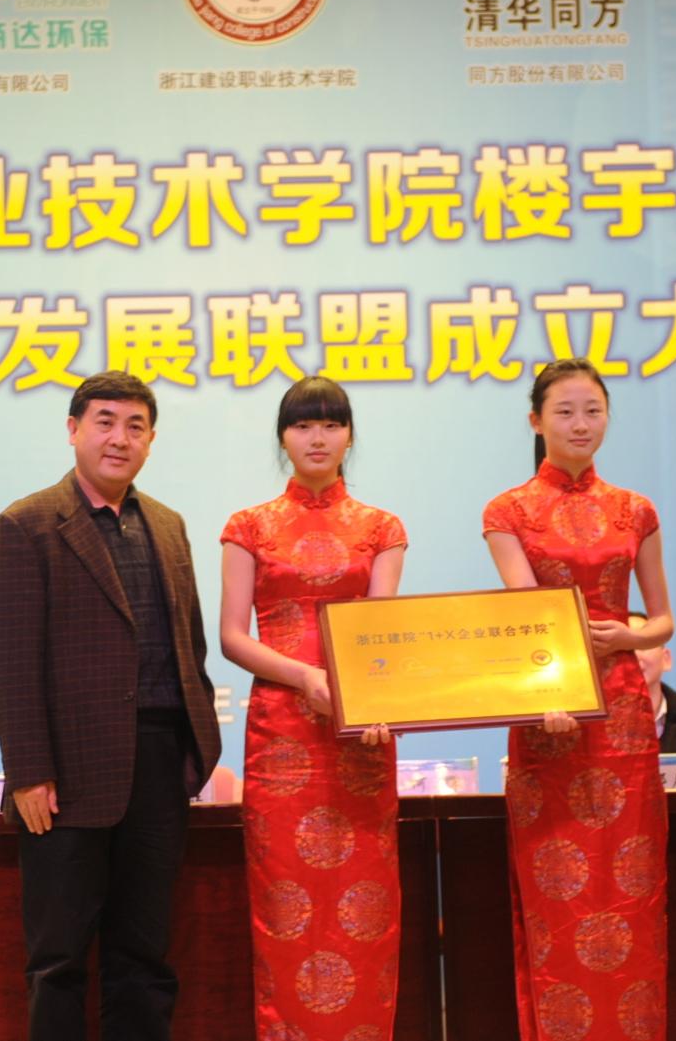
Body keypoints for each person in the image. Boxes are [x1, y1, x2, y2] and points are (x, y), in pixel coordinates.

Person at [0, 370, 221, 1041]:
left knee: (144, 957)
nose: (120, 438)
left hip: (160, 765)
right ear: (73, 430)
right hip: (66, 775)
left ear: (151, 440)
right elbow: (10, 659)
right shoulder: (26, 524)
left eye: (135, 426)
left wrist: (195, 749)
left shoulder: (168, 526)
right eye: (105, 422)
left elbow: (190, 643)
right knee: (57, 960)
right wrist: (29, 771)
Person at [483, 357, 673, 1041]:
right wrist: (553, 687)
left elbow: (663, 621)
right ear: (536, 421)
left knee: (631, 892)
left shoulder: (635, 509)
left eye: (593, 410)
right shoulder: (508, 510)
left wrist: (628, 634)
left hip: (622, 718)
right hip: (548, 713)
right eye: (564, 411)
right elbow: (526, 614)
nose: (580, 424)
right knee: (556, 896)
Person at [218, 377, 407, 1039]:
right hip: (282, 736)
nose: (317, 437)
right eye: (303, 425)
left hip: (360, 732)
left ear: (350, 435)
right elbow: (233, 637)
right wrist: (306, 677)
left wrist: (363, 695)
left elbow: (379, 632)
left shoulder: (382, 527)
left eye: (331, 424)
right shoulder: (248, 526)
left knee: (365, 909)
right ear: (283, 437)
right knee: (285, 907)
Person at [630, 610, 676, 754]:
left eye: (643, 644)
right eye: (624, 648)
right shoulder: (589, 724)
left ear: (666, 659)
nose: (634, 655)